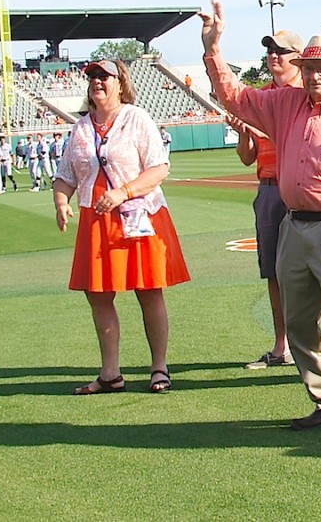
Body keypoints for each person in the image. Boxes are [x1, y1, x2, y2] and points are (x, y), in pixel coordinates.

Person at [199, 0, 321, 436]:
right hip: (295, 225)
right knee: (298, 320)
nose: (315, 76)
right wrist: (213, 49)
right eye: (309, 67)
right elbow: (233, 96)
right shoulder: (283, 104)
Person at [52, 60, 191, 395]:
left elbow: (159, 169)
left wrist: (123, 192)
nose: (97, 82)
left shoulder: (136, 118)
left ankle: (159, 367)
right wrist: (60, 202)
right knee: (97, 294)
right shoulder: (81, 127)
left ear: (120, 82)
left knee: (148, 290)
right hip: (96, 220)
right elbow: (66, 174)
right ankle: (110, 373)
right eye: (92, 77)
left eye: (104, 76)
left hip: (138, 216)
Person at [231, 30, 321, 374]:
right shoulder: (263, 98)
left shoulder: (308, 98)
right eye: (270, 51)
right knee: (273, 270)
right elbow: (246, 157)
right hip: (271, 186)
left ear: (299, 59)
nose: (274, 56)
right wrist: (243, 132)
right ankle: (281, 344)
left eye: (282, 51)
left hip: (309, 192)